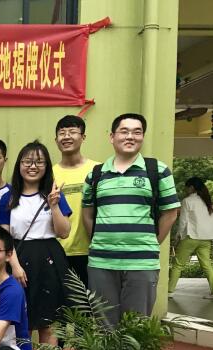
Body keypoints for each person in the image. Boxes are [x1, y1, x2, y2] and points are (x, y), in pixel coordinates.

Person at [81, 113, 179, 327]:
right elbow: (87, 214)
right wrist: (99, 241)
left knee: (136, 328)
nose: (130, 136)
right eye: (124, 131)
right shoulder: (95, 175)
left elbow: (171, 213)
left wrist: (151, 243)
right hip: (101, 262)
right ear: (112, 137)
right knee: (105, 327)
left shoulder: (157, 171)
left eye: (137, 132)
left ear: (142, 136)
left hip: (142, 263)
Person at [0, 141, 72, 350]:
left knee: (48, 324)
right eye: (27, 161)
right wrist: (14, 265)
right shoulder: (9, 197)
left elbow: (63, 232)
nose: (32, 166)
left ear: (46, 166)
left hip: (49, 260)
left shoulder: (53, 194)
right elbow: (4, 238)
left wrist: (55, 205)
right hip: (18, 259)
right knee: (22, 324)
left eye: (39, 162)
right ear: (19, 165)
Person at [52, 115, 98, 288]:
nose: (66, 137)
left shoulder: (97, 170)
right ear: (56, 140)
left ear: (83, 137)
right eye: (62, 133)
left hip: (91, 251)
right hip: (57, 251)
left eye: (72, 132)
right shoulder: (49, 174)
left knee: (90, 301)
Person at [169, 177, 213, 299]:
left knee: (178, 264)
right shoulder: (207, 202)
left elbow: (183, 221)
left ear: (192, 187)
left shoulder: (187, 201)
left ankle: (169, 291)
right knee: (207, 266)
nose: (185, 190)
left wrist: (178, 236)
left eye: (187, 187)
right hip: (206, 238)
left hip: (191, 237)